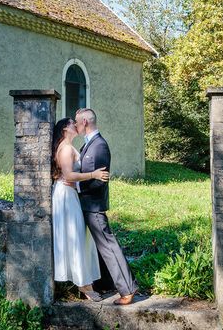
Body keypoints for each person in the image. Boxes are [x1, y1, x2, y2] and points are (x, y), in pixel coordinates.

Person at [75, 108, 139, 305]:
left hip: (94, 205)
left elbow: (99, 181)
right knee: (100, 247)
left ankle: (128, 289)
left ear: (85, 122)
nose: (76, 126)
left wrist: (76, 187)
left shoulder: (99, 146)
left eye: (77, 122)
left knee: (108, 246)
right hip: (87, 204)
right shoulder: (89, 144)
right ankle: (108, 283)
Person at [51, 117, 110, 302]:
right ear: (64, 130)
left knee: (79, 237)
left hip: (69, 194)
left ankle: (83, 281)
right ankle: (84, 285)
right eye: (71, 124)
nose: (75, 126)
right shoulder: (66, 148)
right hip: (66, 196)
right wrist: (94, 174)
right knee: (75, 237)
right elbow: (68, 174)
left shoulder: (67, 146)